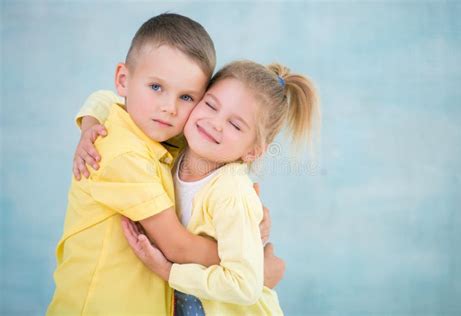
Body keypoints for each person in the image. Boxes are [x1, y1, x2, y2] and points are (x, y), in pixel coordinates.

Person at [75, 60, 320, 315]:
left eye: (235, 125)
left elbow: (245, 285)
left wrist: (168, 271)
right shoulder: (177, 144)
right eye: (211, 105)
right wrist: (90, 126)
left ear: (253, 151)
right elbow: (108, 98)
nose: (215, 123)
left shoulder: (231, 194)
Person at [47, 13, 220, 315]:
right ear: (123, 80)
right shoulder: (122, 153)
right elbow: (176, 247)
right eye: (156, 87)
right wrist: (246, 255)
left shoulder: (162, 138)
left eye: (187, 97)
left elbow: (104, 98)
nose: (169, 107)